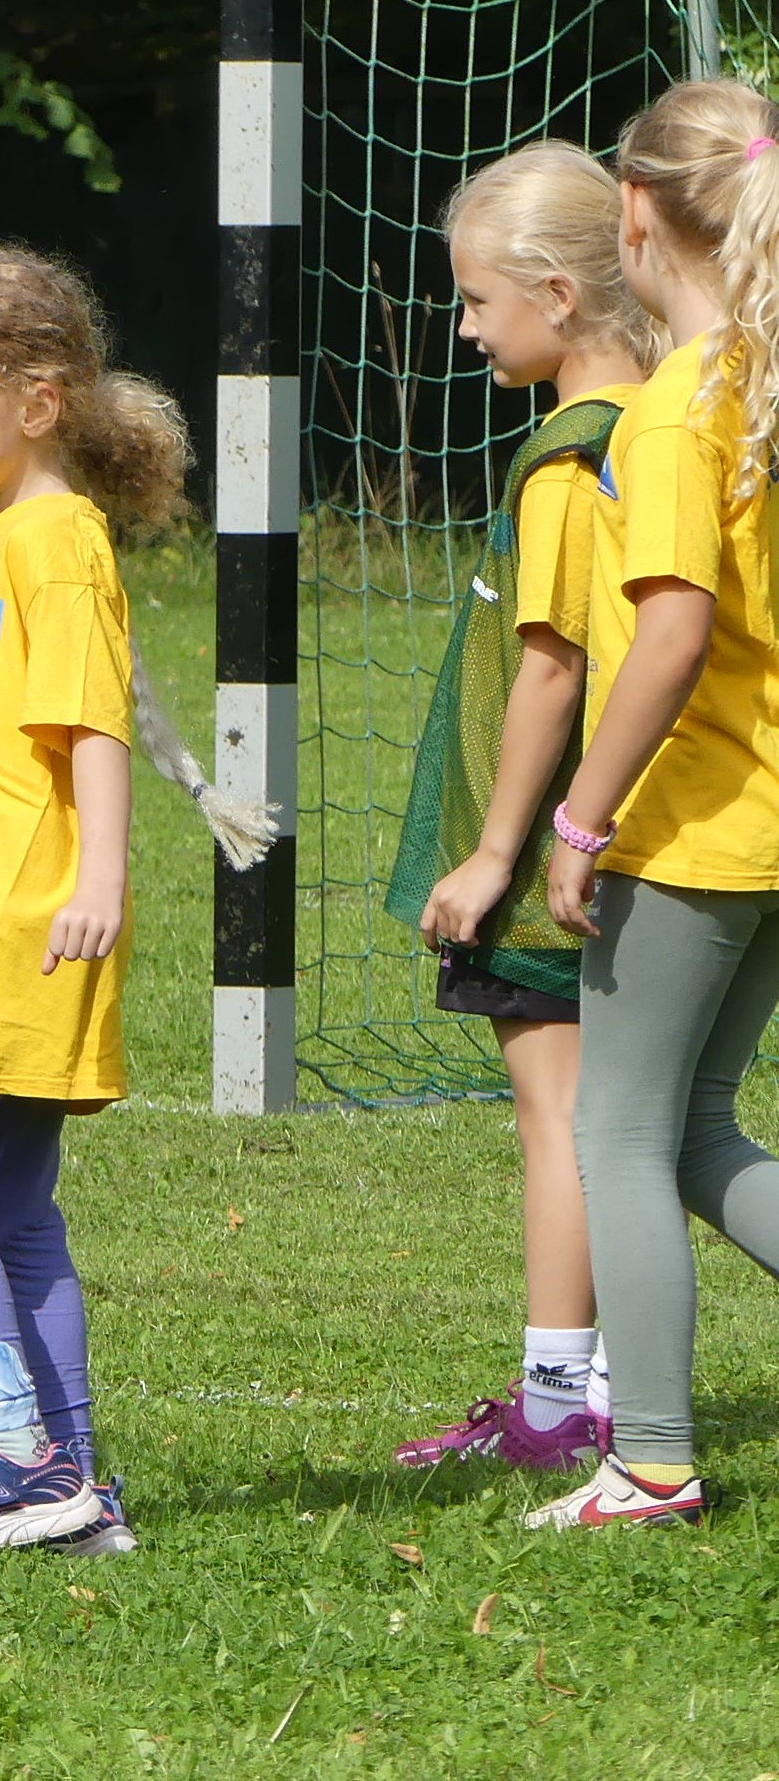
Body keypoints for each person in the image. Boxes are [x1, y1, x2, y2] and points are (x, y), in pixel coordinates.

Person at [0, 242, 270, 1559]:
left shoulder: (53, 545)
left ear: (37, 403)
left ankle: (13, 1458)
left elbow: (92, 726)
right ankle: (74, 1488)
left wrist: (98, 877)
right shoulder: (16, 538)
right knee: (9, 1203)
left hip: (13, 922)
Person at [531, 80, 779, 1532]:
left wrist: (580, 816)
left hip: (692, 827)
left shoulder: (680, 406)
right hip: (765, 817)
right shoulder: (760, 381)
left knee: (618, 1135)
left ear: (633, 213)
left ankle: (654, 1459)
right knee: (690, 1130)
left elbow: (671, 632)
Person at [387, 144, 656, 1472]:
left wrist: (498, 850)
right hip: (644, 832)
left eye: (475, 300)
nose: (464, 328)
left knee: (567, 1119)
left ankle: (557, 1404)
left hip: (567, 850)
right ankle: (597, 1384)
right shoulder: (662, 420)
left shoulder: (566, 460)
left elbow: (550, 666)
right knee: (622, 1123)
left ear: (557, 295)